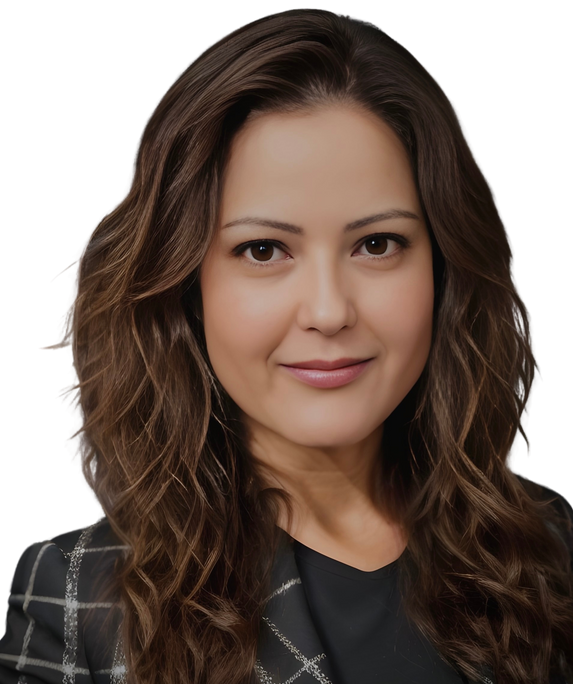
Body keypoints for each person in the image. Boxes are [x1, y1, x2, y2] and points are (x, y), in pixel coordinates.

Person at [2, 7, 572, 684]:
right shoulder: (71, 595)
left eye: (377, 244)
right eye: (263, 250)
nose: (329, 311)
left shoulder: (556, 547)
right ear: (186, 289)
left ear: (444, 271)